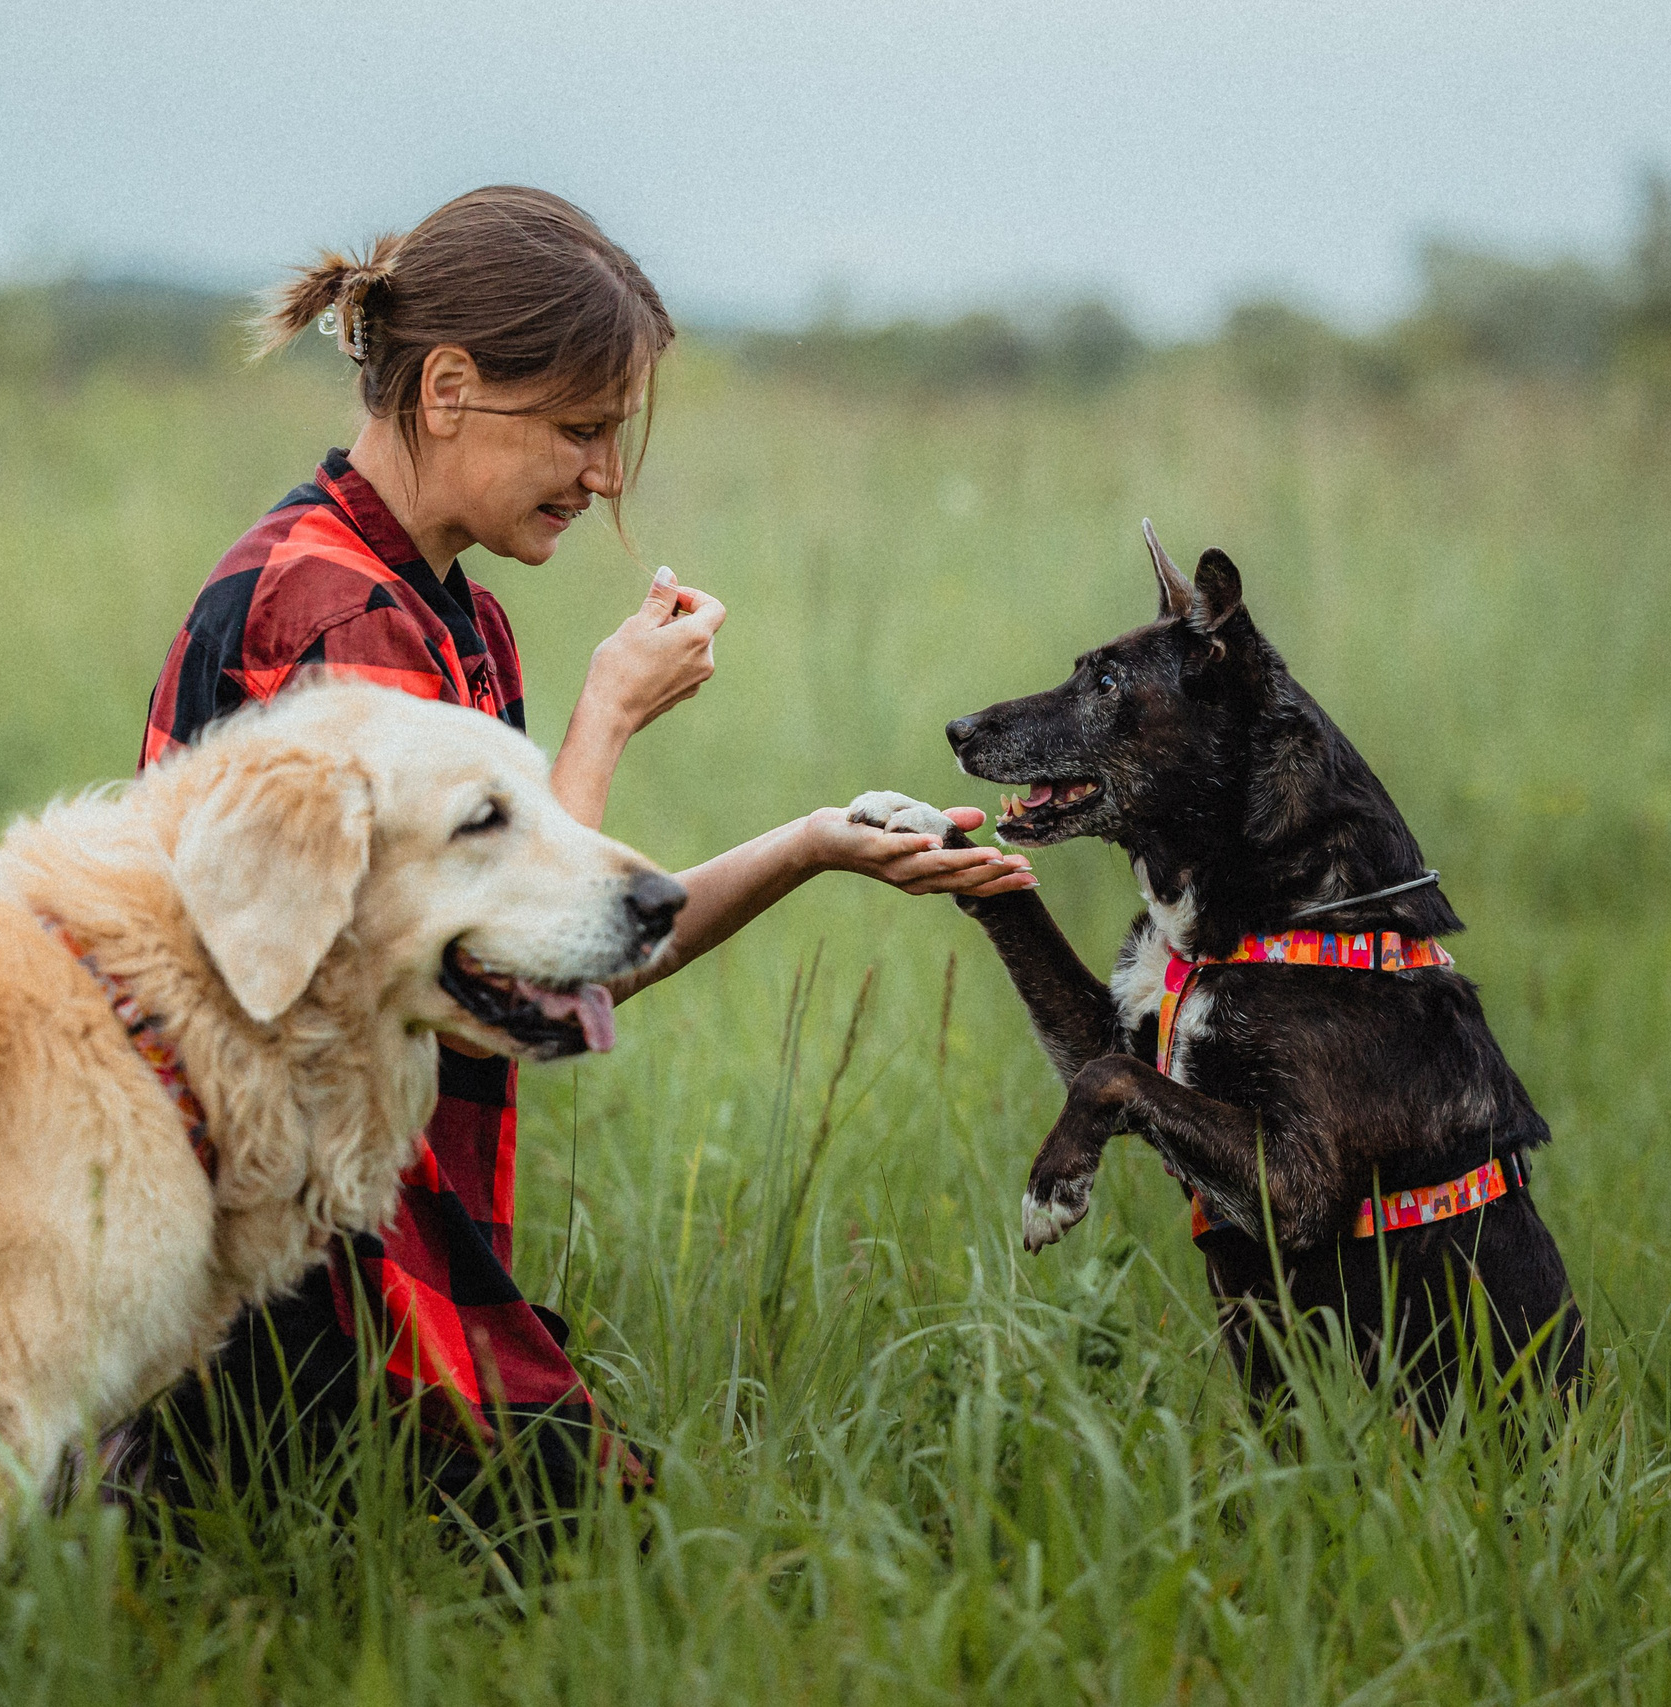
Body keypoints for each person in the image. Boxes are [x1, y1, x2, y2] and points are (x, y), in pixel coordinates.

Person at [127, 186, 1032, 1519]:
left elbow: (553, 973)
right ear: (446, 390)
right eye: (582, 429)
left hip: (385, 1242)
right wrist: (606, 711)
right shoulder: (337, 616)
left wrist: (813, 846)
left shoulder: (447, 611)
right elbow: (506, 961)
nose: (605, 474)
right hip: (307, 1275)